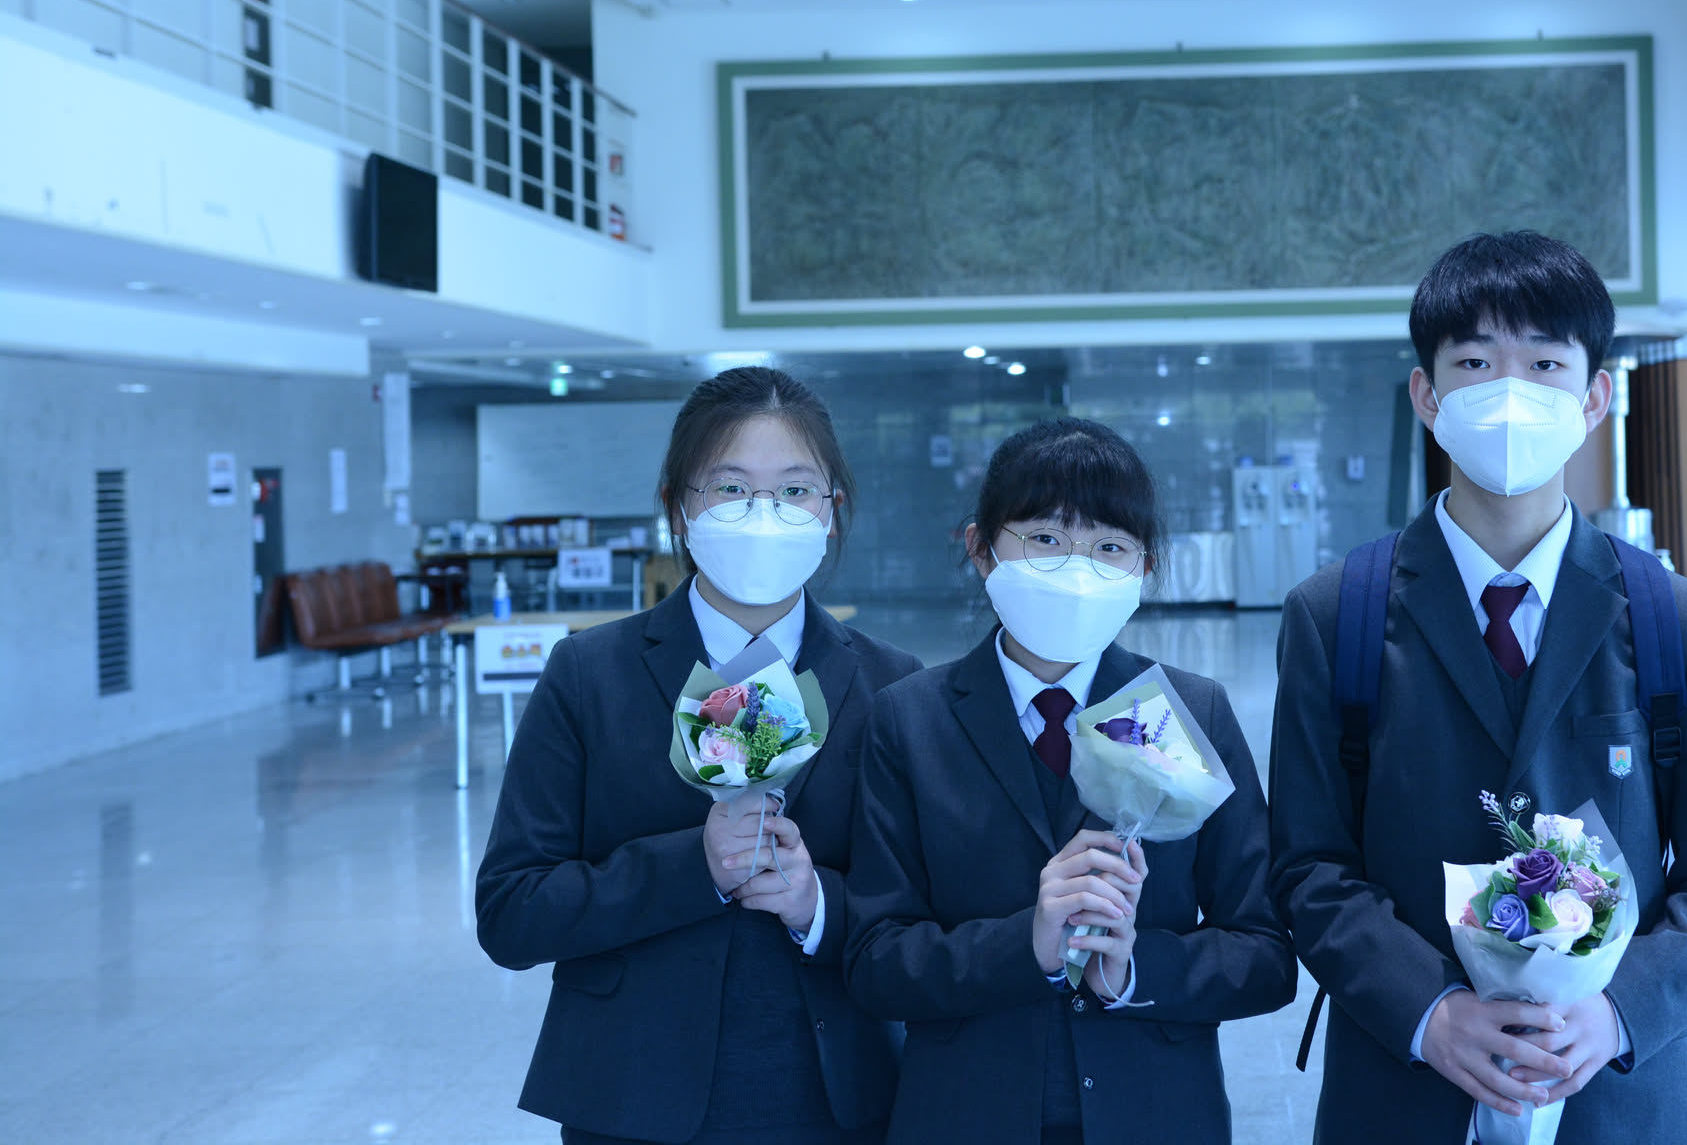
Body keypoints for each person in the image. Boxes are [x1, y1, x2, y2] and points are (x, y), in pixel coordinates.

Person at [1269, 231, 1687, 1143]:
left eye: (1545, 363)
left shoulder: (1672, 619)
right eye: (1475, 363)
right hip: (1402, 1085)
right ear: (1426, 395)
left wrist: (1618, 1013)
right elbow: (1307, 866)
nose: (1510, 392)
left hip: (1615, 1094)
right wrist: (1430, 1010)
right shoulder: (1336, 615)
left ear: (1594, 398)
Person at [476, 367, 921, 1144]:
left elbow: (924, 917)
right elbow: (512, 913)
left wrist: (819, 906)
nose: (764, 513)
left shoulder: (892, 685)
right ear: (678, 509)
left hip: (841, 1098)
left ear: (831, 510)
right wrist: (695, 866)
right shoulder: (589, 674)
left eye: (794, 490)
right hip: (633, 1097)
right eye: (731, 488)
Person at [844, 417, 1296, 1145]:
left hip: (1153, 1115)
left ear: (1144, 569)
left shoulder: (1188, 711)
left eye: (1110, 547)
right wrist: (1025, 944)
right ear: (981, 549)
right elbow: (874, 960)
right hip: (966, 1114)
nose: (1077, 570)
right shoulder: (909, 719)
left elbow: (1267, 956)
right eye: (1046, 538)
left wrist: (1135, 968)